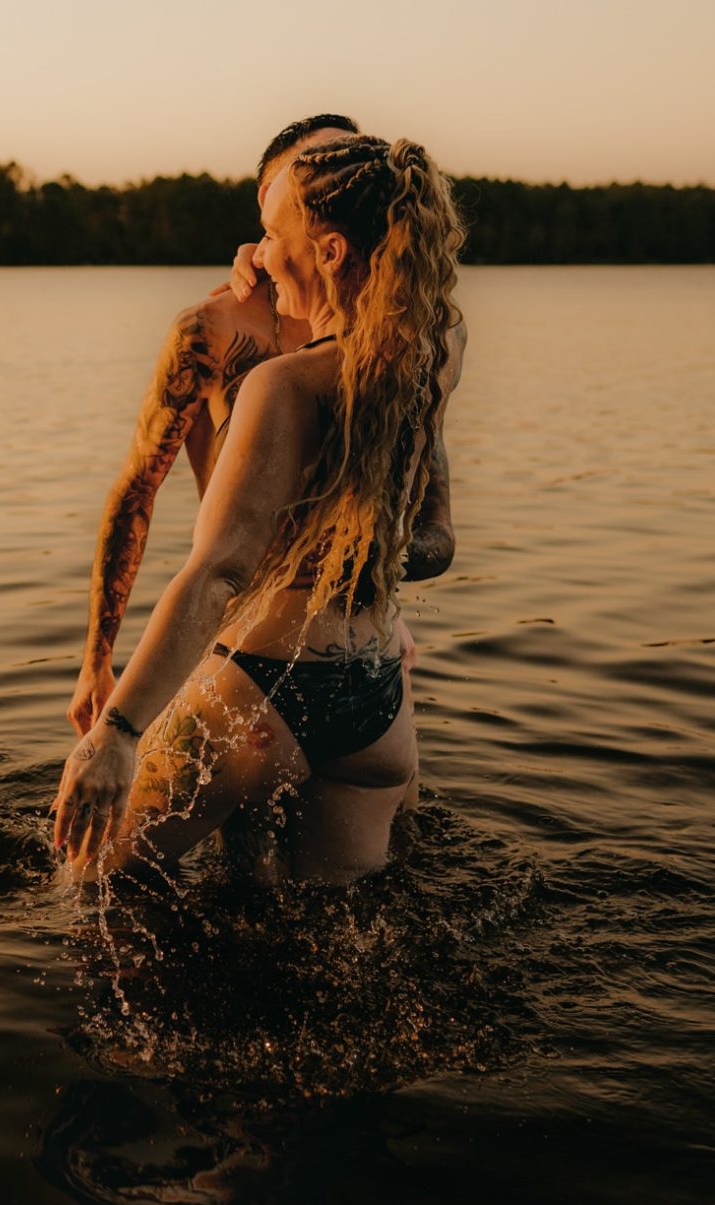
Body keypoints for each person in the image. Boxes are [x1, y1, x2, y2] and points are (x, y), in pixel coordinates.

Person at [52, 135, 466, 882]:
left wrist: (115, 733)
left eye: (273, 238)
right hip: (377, 703)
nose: (256, 253)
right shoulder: (440, 349)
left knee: (88, 883)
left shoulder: (283, 385)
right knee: (333, 940)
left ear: (332, 250)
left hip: (266, 684)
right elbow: (424, 526)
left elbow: (217, 572)